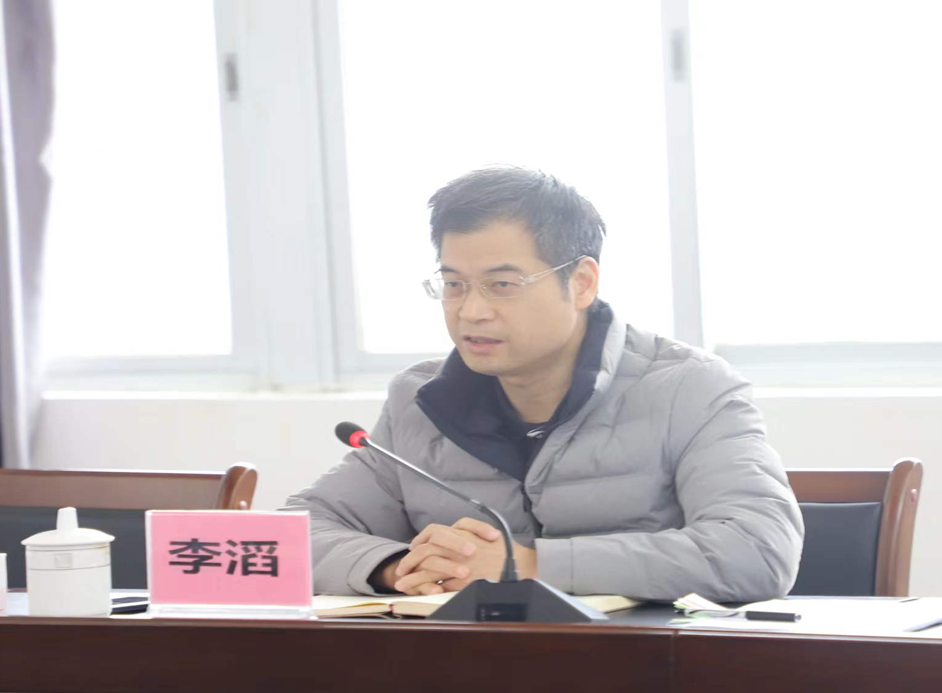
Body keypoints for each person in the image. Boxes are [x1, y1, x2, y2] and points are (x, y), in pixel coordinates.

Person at [288, 166, 803, 602]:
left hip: (642, 669)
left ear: (581, 283)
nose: (471, 310)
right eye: (453, 284)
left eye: (502, 285)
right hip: (462, 669)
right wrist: (396, 566)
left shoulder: (689, 388)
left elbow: (757, 550)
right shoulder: (419, 402)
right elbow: (292, 533)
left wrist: (530, 566)